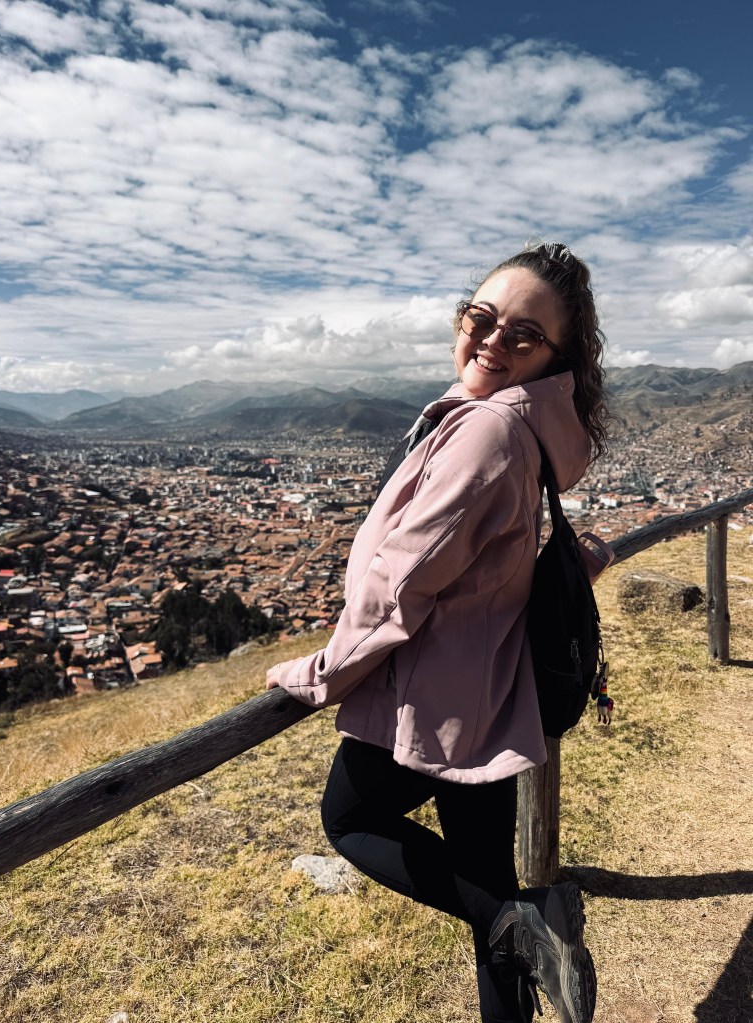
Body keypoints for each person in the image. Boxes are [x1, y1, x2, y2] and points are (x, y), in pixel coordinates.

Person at [266, 240, 612, 1023]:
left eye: (522, 334)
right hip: (492, 690)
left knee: (351, 819)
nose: (492, 339)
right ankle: (521, 925)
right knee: (488, 878)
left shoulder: (487, 432)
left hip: (438, 699)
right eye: (481, 317)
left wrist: (322, 671)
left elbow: (403, 581)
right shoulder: (529, 430)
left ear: (554, 357)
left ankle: (513, 917)